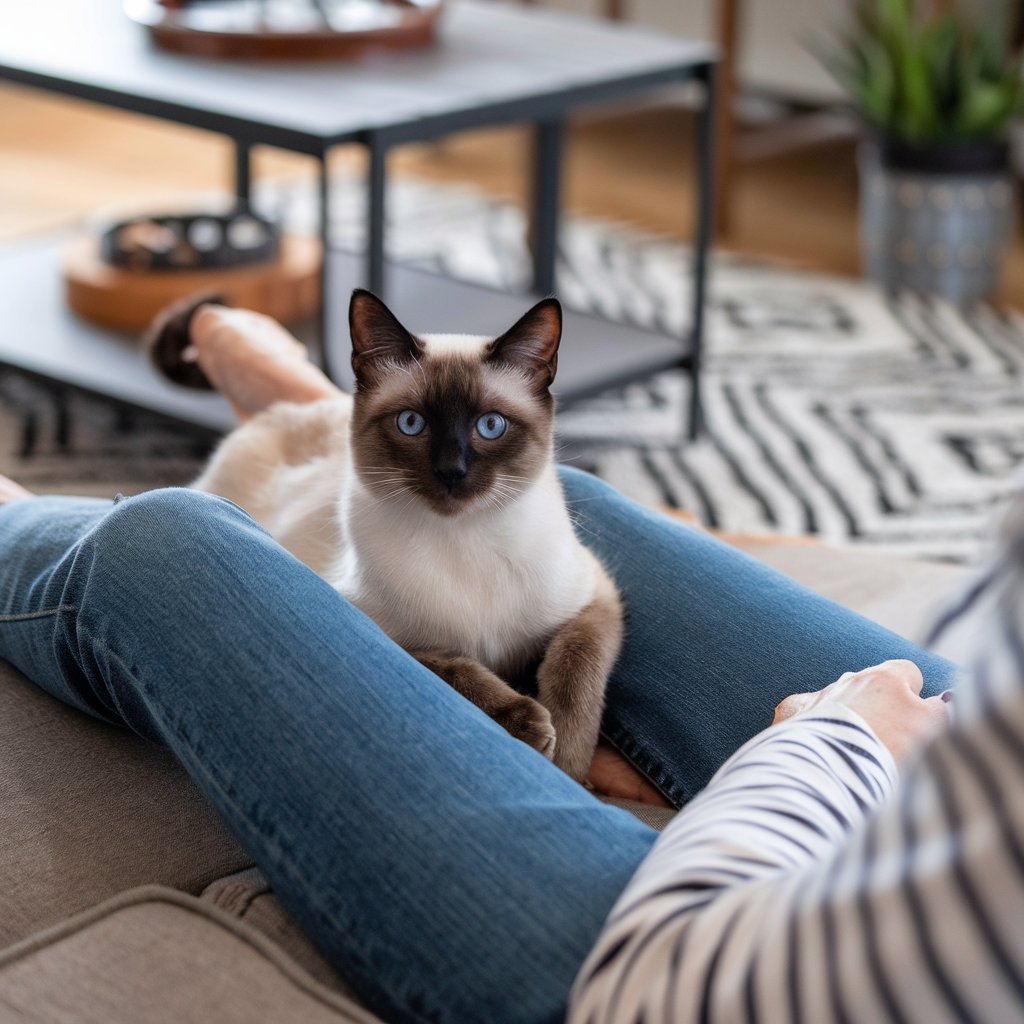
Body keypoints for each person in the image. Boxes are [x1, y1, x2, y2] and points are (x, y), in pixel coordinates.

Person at [0, 306, 1016, 1024]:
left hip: (658, 970)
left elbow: (668, 993)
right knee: (560, 500)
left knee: (173, 542)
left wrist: (831, 746)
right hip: (966, 754)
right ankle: (323, 411)